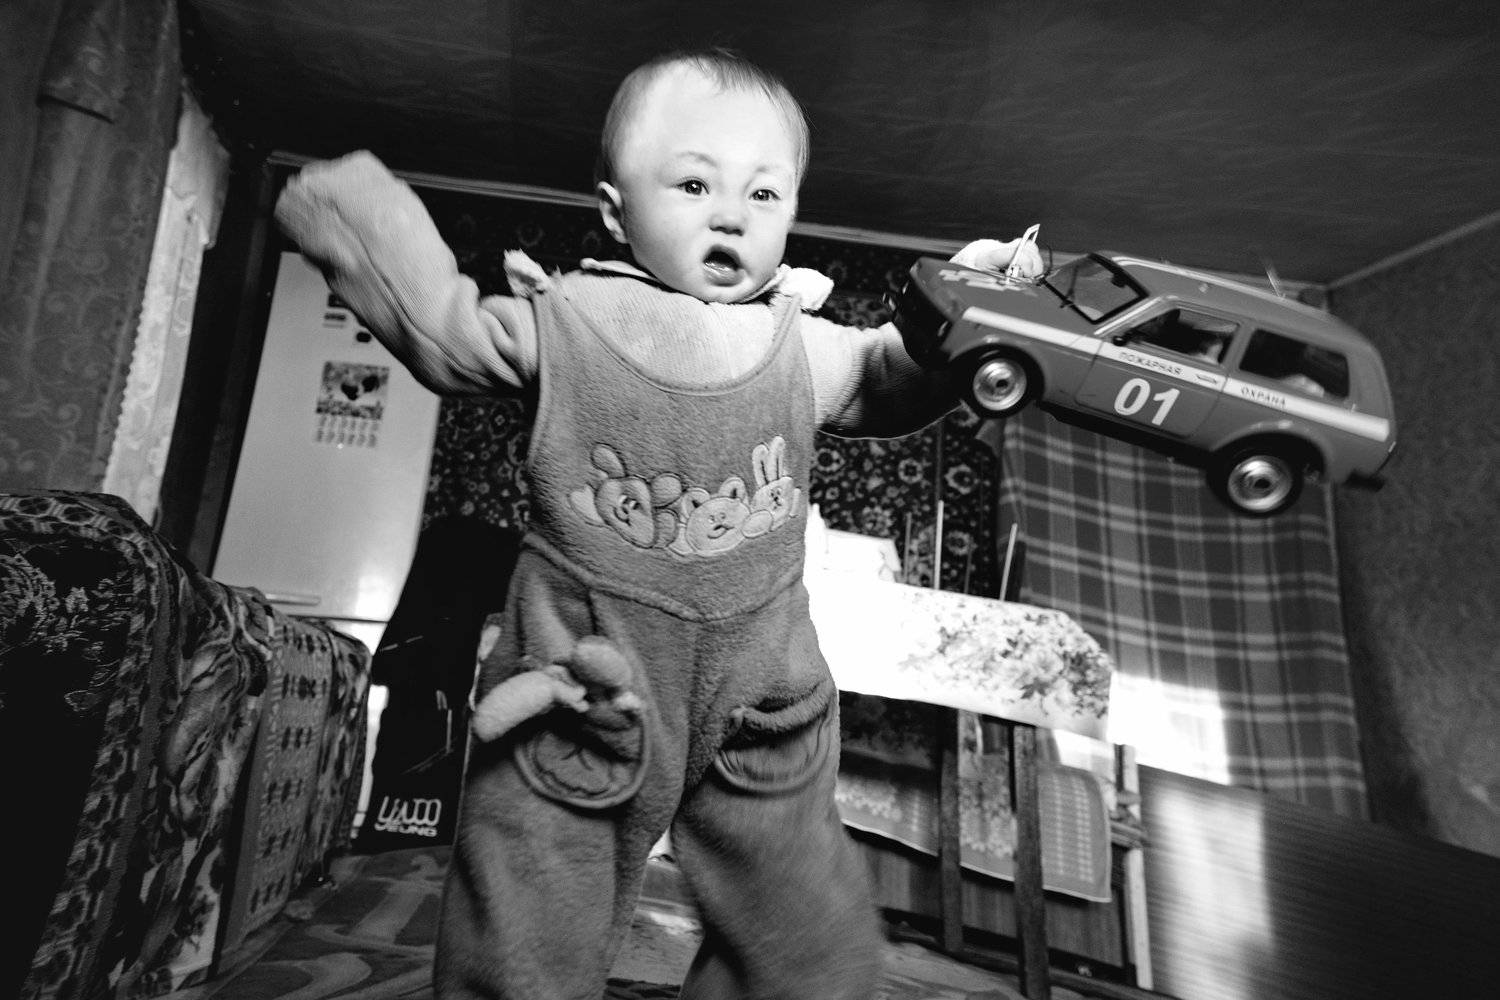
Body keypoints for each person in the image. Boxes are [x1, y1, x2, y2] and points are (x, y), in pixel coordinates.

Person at [275, 47, 1042, 1000]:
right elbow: (448, 332)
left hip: (765, 695)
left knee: (807, 937)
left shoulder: (799, 343)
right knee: (528, 920)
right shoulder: (568, 319)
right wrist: (354, 213)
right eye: (693, 184)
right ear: (615, 211)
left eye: (765, 194)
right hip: (591, 688)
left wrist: (963, 308)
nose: (732, 215)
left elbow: (892, 378)